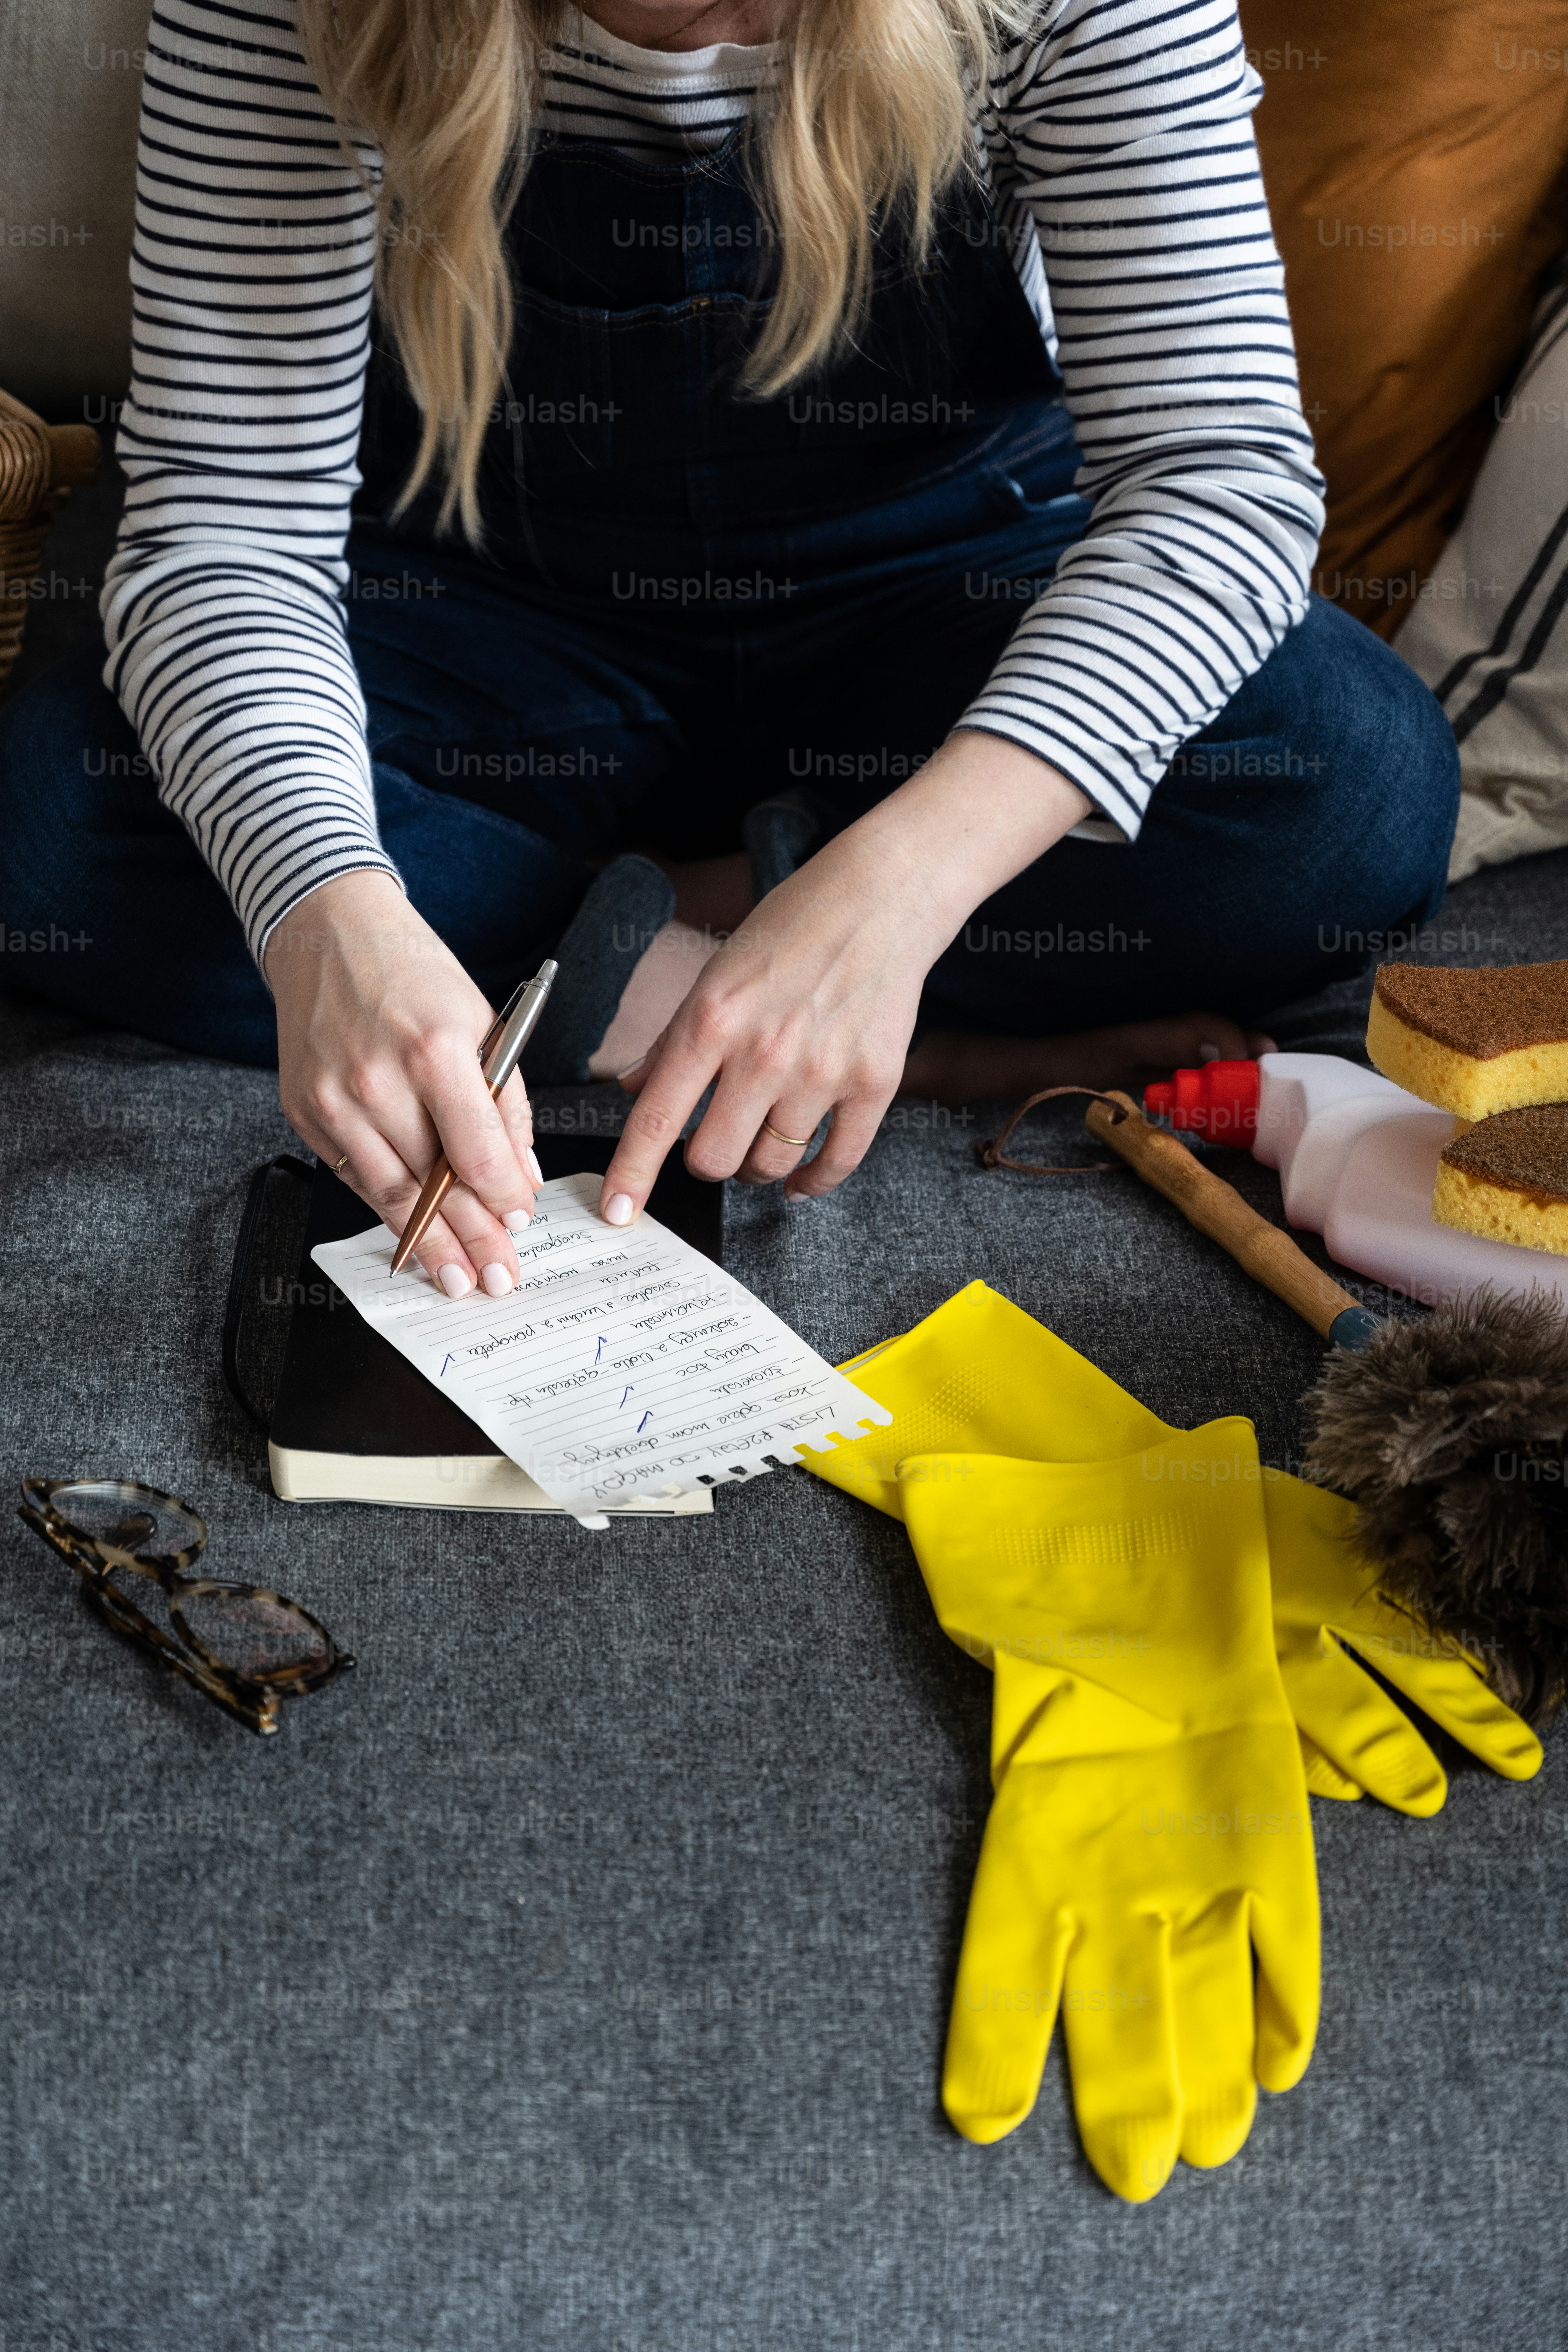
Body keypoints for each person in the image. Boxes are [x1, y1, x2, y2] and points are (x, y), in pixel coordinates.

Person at [0, 0, 1457, 1301]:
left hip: (936, 604)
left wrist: (897, 890)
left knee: (1355, 787)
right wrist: (330, 916)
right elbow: (228, 536)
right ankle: (720, 1001)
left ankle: (703, 958)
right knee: (62, 812)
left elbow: (1217, 481)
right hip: (484, 617)